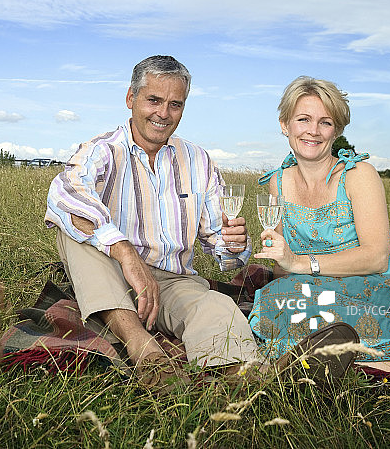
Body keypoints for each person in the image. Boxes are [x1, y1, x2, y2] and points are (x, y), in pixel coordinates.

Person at [44, 56, 358, 392]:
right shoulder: (102, 150)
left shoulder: (198, 160)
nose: (163, 113)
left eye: (175, 104)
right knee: (73, 228)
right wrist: (125, 253)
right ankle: (144, 350)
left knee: (216, 304)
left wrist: (234, 245)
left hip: (172, 280)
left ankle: (254, 380)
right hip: (108, 271)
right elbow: (64, 194)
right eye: (154, 100)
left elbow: (221, 248)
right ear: (130, 99)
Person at [248, 76, 390, 382]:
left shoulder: (358, 175)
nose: (313, 131)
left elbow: (375, 258)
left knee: (306, 310)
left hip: (376, 277)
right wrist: (269, 258)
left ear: (337, 130)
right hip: (317, 283)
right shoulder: (276, 183)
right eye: (303, 119)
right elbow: (283, 270)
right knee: (275, 301)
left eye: (325, 122)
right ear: (284, 124)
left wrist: (301, 264)